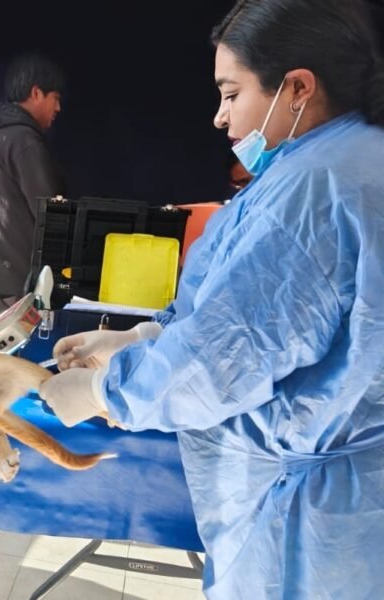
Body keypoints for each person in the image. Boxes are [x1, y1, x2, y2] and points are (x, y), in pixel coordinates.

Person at [39, 0, 384, 598]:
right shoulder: (346, 159)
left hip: (303, 515)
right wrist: (144, 336)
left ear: (297, 87)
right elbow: (255, 310)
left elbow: (224, 358)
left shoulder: (314, 189)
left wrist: (105, 390)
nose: (221, 118)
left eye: (232, 92)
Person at [0, 53, 65, 465]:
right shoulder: (23, 138)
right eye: (55, 98)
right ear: (35, 92)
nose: (58, 108)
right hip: (11, 267)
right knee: (10, 358)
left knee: (1, 356)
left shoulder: (1, 134)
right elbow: (47, 204)